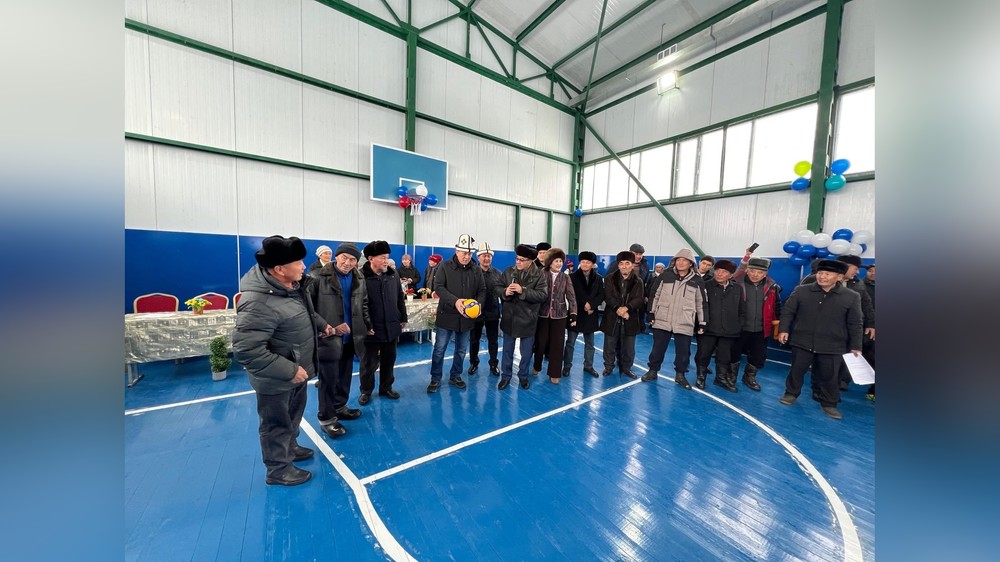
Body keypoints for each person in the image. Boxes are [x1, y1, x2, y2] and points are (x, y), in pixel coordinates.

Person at [233, 235, 329, 486]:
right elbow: (246, 350)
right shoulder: (258, 302)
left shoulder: (291, 288)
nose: (303, 266)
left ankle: (290, 447)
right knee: (276, 423)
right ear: (279, 269)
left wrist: (323, 326)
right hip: (277, 377)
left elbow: (305, 315)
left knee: (292, 416)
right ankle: (278, 469)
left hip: (296, 371)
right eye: (298, 262)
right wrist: (289, 370)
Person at [777, 259, 863, 420]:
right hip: (802, 340)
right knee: (796, 371)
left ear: (839, 277)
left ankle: (829, 403)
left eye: (827, 274)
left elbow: (855, 323)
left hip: (833, 345)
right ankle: (791, 393)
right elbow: (788, 311)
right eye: (820, 273)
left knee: (830, 376)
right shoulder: (801, 291)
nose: (822, 276)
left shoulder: (851, 296)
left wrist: (855, 345)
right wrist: (783, 330)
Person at [305, 242, 371, 437]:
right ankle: (326, 418)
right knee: (328, 380)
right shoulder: (317, 276)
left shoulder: (359, 277)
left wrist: (367, 324)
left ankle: (340, 407)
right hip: (328, 337)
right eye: (344, 258)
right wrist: (326, 328)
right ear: (336, 256)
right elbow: (308, 308)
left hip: (352, 336)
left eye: (352, 259)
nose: (348, 263)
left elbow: (363, 303)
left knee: (344, 376)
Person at [427, 234, 486, 393]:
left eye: (470, 253)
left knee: (461, 350)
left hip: (466, 318)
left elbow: (482, 290)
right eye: (464, 253)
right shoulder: (444, 266)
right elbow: (439, 287)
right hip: (446, 315)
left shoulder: (476, 269)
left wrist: (478, 304)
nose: (467, 256)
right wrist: (455, 301)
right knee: (439, 349)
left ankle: (455, 375)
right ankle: (435, 378)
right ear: (456, 251)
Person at [642, 248, 706, 389]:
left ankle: (680, 375)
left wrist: (702, 322)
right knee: (657, 349)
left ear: (691, 263)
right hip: (663, 318)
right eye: (678, 260)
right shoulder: (665, 275)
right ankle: (653, 371)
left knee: (683, 352)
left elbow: (701, 303)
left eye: (684, 260)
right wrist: (651, 313)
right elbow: (654, 294)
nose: (681, 262)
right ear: (674, 262)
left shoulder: (697, 280)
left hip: (685, 320)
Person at [358, 240, 406, 406]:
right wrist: (365, 324)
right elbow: (358, 304)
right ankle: (366, 391)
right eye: (383, 257)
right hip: (371, 329)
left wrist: (403, 317)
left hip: (391, 326)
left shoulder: (393, 275)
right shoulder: (361, 277)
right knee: (368, 363)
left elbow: (399, 297)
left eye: (387, 257)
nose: (386, 261)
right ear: (371, 258)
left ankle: (386, 387)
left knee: (389, 360)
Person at [497, 244, 548, 390]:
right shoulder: (508, 272)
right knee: (507, 351)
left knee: (526, 353)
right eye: (517, 258)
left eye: (522, 260)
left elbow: (542, 295)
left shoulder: (539, 275)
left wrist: (523, 290)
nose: (518, 262)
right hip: (509, 318)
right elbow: (497, 287)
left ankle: (523, 376)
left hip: (528, 319)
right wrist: (504, 292)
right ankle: (505, 376)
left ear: (531, 261)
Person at [733, 254, 783, 392]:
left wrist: (779, 327)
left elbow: (777, 307)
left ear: (765, 274)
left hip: (762, 329)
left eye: (760, 272)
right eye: (753, 271)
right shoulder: (736, 284)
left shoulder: (773, 287)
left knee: (758, 356)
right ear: (747, 270)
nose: (755, 275)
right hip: (739, 327)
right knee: (733, 353)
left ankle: (749, 377)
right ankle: (731, 377)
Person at [694, 259, 745, 392]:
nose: (720, 274)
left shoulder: (737, 289)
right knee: (703, 354)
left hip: (729, 330)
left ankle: (720, 378)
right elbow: (698, 306)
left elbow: (742, 309)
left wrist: (738, 325)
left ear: (731, 275)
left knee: (724, 356)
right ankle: (701, 377)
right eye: (717, 271)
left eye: (724, 272)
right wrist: (700, 324)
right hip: (708, 329)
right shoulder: (704, 286)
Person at [533, 248, 578, 384]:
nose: (559, 264)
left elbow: (571, 296)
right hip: (542, 314)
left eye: (560, 261)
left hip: (560, 316)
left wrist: (573, 314)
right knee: (540, 343)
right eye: (556, 261)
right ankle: (537, 366)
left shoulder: (565, 277)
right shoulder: (541, 274)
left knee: (557, 345)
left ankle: (554, 373)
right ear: (550, 262)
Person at [600, 250, 645, 378]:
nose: (624, 266)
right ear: (618, 265)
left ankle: (626, 368)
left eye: (627, 263)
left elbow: (639, 299)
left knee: (629, 347)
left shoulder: (638, 281)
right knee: (609, 345)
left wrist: (627, 308)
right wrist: (618, 309)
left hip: (630, 317)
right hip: (612, 317)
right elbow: (608, 296)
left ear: (632, 265)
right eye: (621, 263)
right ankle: (608, 367)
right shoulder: (610, 278)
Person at [564, 251, 604, 377]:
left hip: (590, 314)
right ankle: (567, 366)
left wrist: (592, 305)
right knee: (570, 343)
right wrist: (583, 304)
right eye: (583, 262)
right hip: (575, 313)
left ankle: (588, 366)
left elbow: (601, 295)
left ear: (592, 264)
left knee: (590, 344)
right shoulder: (571, 277)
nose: (585, 264)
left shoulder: (598, 278)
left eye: (588, 262)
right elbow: (570, 295)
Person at [469, 242, 503, 376]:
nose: (486, 258)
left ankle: (494, 364)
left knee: (493, 341)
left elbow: (502, 293)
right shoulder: (472, 273)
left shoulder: (498, 274)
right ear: (478, 257)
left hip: (492, 312)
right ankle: (473, 363)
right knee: (474, 340)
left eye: (489, 256)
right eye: (484, 256)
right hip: (475, 313)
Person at [862, 263, 876, 399]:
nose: (872, 273)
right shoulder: (860, 286)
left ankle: (873, 388)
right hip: (861, 325)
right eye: (870, 271)